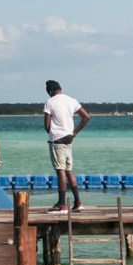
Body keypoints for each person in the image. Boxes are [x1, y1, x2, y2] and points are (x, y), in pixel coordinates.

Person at [43, 79, 90, 212]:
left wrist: (53, 134)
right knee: (68, 170)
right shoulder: (71, 100)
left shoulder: (50, 102)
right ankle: (78, 202)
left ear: (50, 91)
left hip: (57, 141)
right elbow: (86, 117)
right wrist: (74, 133)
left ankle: (61, 204)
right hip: (69, 139)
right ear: (60, 89)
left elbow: (46, 125)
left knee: (60, 171)